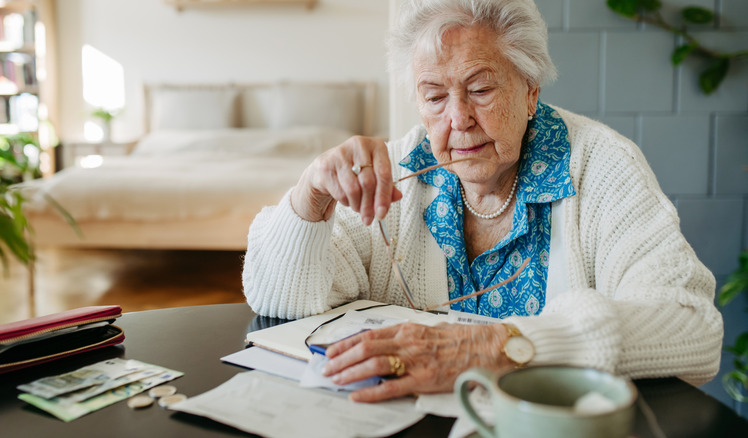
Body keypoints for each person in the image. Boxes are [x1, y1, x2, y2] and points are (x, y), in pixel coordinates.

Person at [242, 0, 723, 403]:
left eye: (480, 89)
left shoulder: (601, 166)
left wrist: (503, 345)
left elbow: (692, 328)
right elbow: (281, 301)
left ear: (530, 90)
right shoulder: (396, 173)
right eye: (434, 96)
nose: (458, 119)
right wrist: (309, 197)